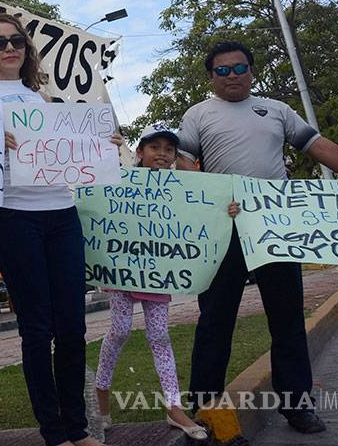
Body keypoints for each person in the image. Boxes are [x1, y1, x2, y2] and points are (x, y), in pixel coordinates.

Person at [181, 40, 338, 435]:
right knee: (215, 319)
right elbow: (183, 163)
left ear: (252, 71)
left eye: (240, 68)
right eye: (223, 70)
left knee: (287, 319)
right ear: (211, 77)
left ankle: (297, 406)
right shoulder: (197, 115)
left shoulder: (278, 110)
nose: (232, 76)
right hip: (225, 228)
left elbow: (319, 146)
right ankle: (204, 408)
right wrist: (212, 197)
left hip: (276, 229)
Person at [0, 12, 118, 446]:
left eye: (17, 41)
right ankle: (53, 432)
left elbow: (69, 151)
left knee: (72, 327)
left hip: (62, 214)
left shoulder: (39, 98)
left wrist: (102, 146)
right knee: (37, 329)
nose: (9, 48)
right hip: (14, 216)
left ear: (27, 50)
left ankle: (77, 429)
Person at [92, 125, 209, 442]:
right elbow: (95, 195)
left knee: (159, 335)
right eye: (154, 146)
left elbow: (202, 213)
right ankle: (100, 394)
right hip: (121, 273)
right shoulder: (120, 179)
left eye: (169, 149)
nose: (162, 153)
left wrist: (226, 210)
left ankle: (173, 406)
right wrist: (106, 149)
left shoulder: (179, 188)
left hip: (156, 274)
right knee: (119, 331)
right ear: (139, 152)